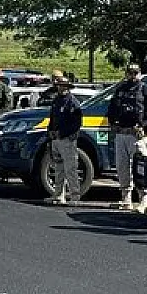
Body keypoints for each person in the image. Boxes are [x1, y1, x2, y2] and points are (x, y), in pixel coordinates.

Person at [104, 63, 147, 210]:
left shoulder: (145, 90)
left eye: (135, 73)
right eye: (130, 73)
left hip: (137, 135)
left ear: (140, 74)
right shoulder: (120, 89)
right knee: (122, 167)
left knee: (139, 168)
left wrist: (143, 124)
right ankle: (126, 199)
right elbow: (111, 108)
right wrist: (112, 123)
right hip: (121, 133)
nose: (133, 76)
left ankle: (143, 200)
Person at [44, 73, 84, 205]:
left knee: (70, 168)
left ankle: (75, 196)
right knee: (58, 168)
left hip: (67, 139)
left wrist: (63, 133)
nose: (62, 88)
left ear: (68, 87)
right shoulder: (56, 101)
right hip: (55, 139)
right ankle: (58, 195)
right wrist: (49, 132)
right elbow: (52, 118)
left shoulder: (73, 102)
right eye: (60, 85)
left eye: (64, 85)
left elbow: (76, 124)